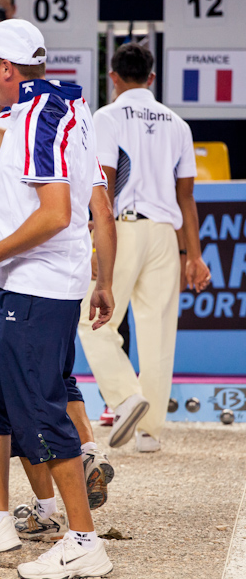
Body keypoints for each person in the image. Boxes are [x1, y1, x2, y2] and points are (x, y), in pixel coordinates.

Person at [0, 19, 114, 579]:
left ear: (7, 69)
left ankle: (83, 539)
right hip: (25, 282)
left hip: (36, 286)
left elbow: (59, 213)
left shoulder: (40, 118)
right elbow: (82, 196)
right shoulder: (58, 108)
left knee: (39, 410)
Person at [77, 43, 211, 453]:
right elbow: (186, 196)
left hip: (123, 227)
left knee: (90, 319)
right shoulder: (177, 123)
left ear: (113, 77)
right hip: (165, 238)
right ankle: (150, 431)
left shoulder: (107, 115)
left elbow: (108, 181)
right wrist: (196, 256)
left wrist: (99, 240)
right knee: (158, 331)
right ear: (152, 78)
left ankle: (124, 397)